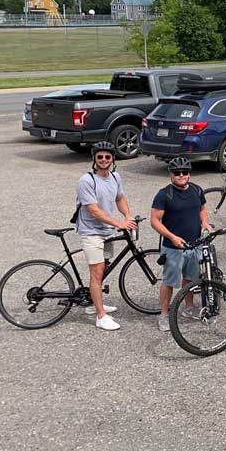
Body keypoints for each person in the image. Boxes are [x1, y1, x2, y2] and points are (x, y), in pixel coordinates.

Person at [73, 141, 136, 331]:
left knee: (104, 267)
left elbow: (120, 198)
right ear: (94, 158)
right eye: (99, 157)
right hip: (91, 232)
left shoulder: (115, 177)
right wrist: (119, 223)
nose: (103, 160)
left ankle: (94, 302)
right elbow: (93, 210)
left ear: (113, 158)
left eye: (107, 156)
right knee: (97, 272)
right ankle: (101, 316)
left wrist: (127, 216)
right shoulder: (86, 181)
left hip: (107, 231)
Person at [150, 158, 210, 333]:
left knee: (190, 279)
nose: (181, 175)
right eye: (177, 173)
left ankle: (189, 308)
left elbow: (202, 208)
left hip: (194, 244)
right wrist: (172, 236)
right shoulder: (164, 194)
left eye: (185, 172)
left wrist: (205, 223)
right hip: (173, 247)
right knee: (169, 282)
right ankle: (164, 315)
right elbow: (154, 220)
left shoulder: (197, 190)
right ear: (171, 175)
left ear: (189, 174)